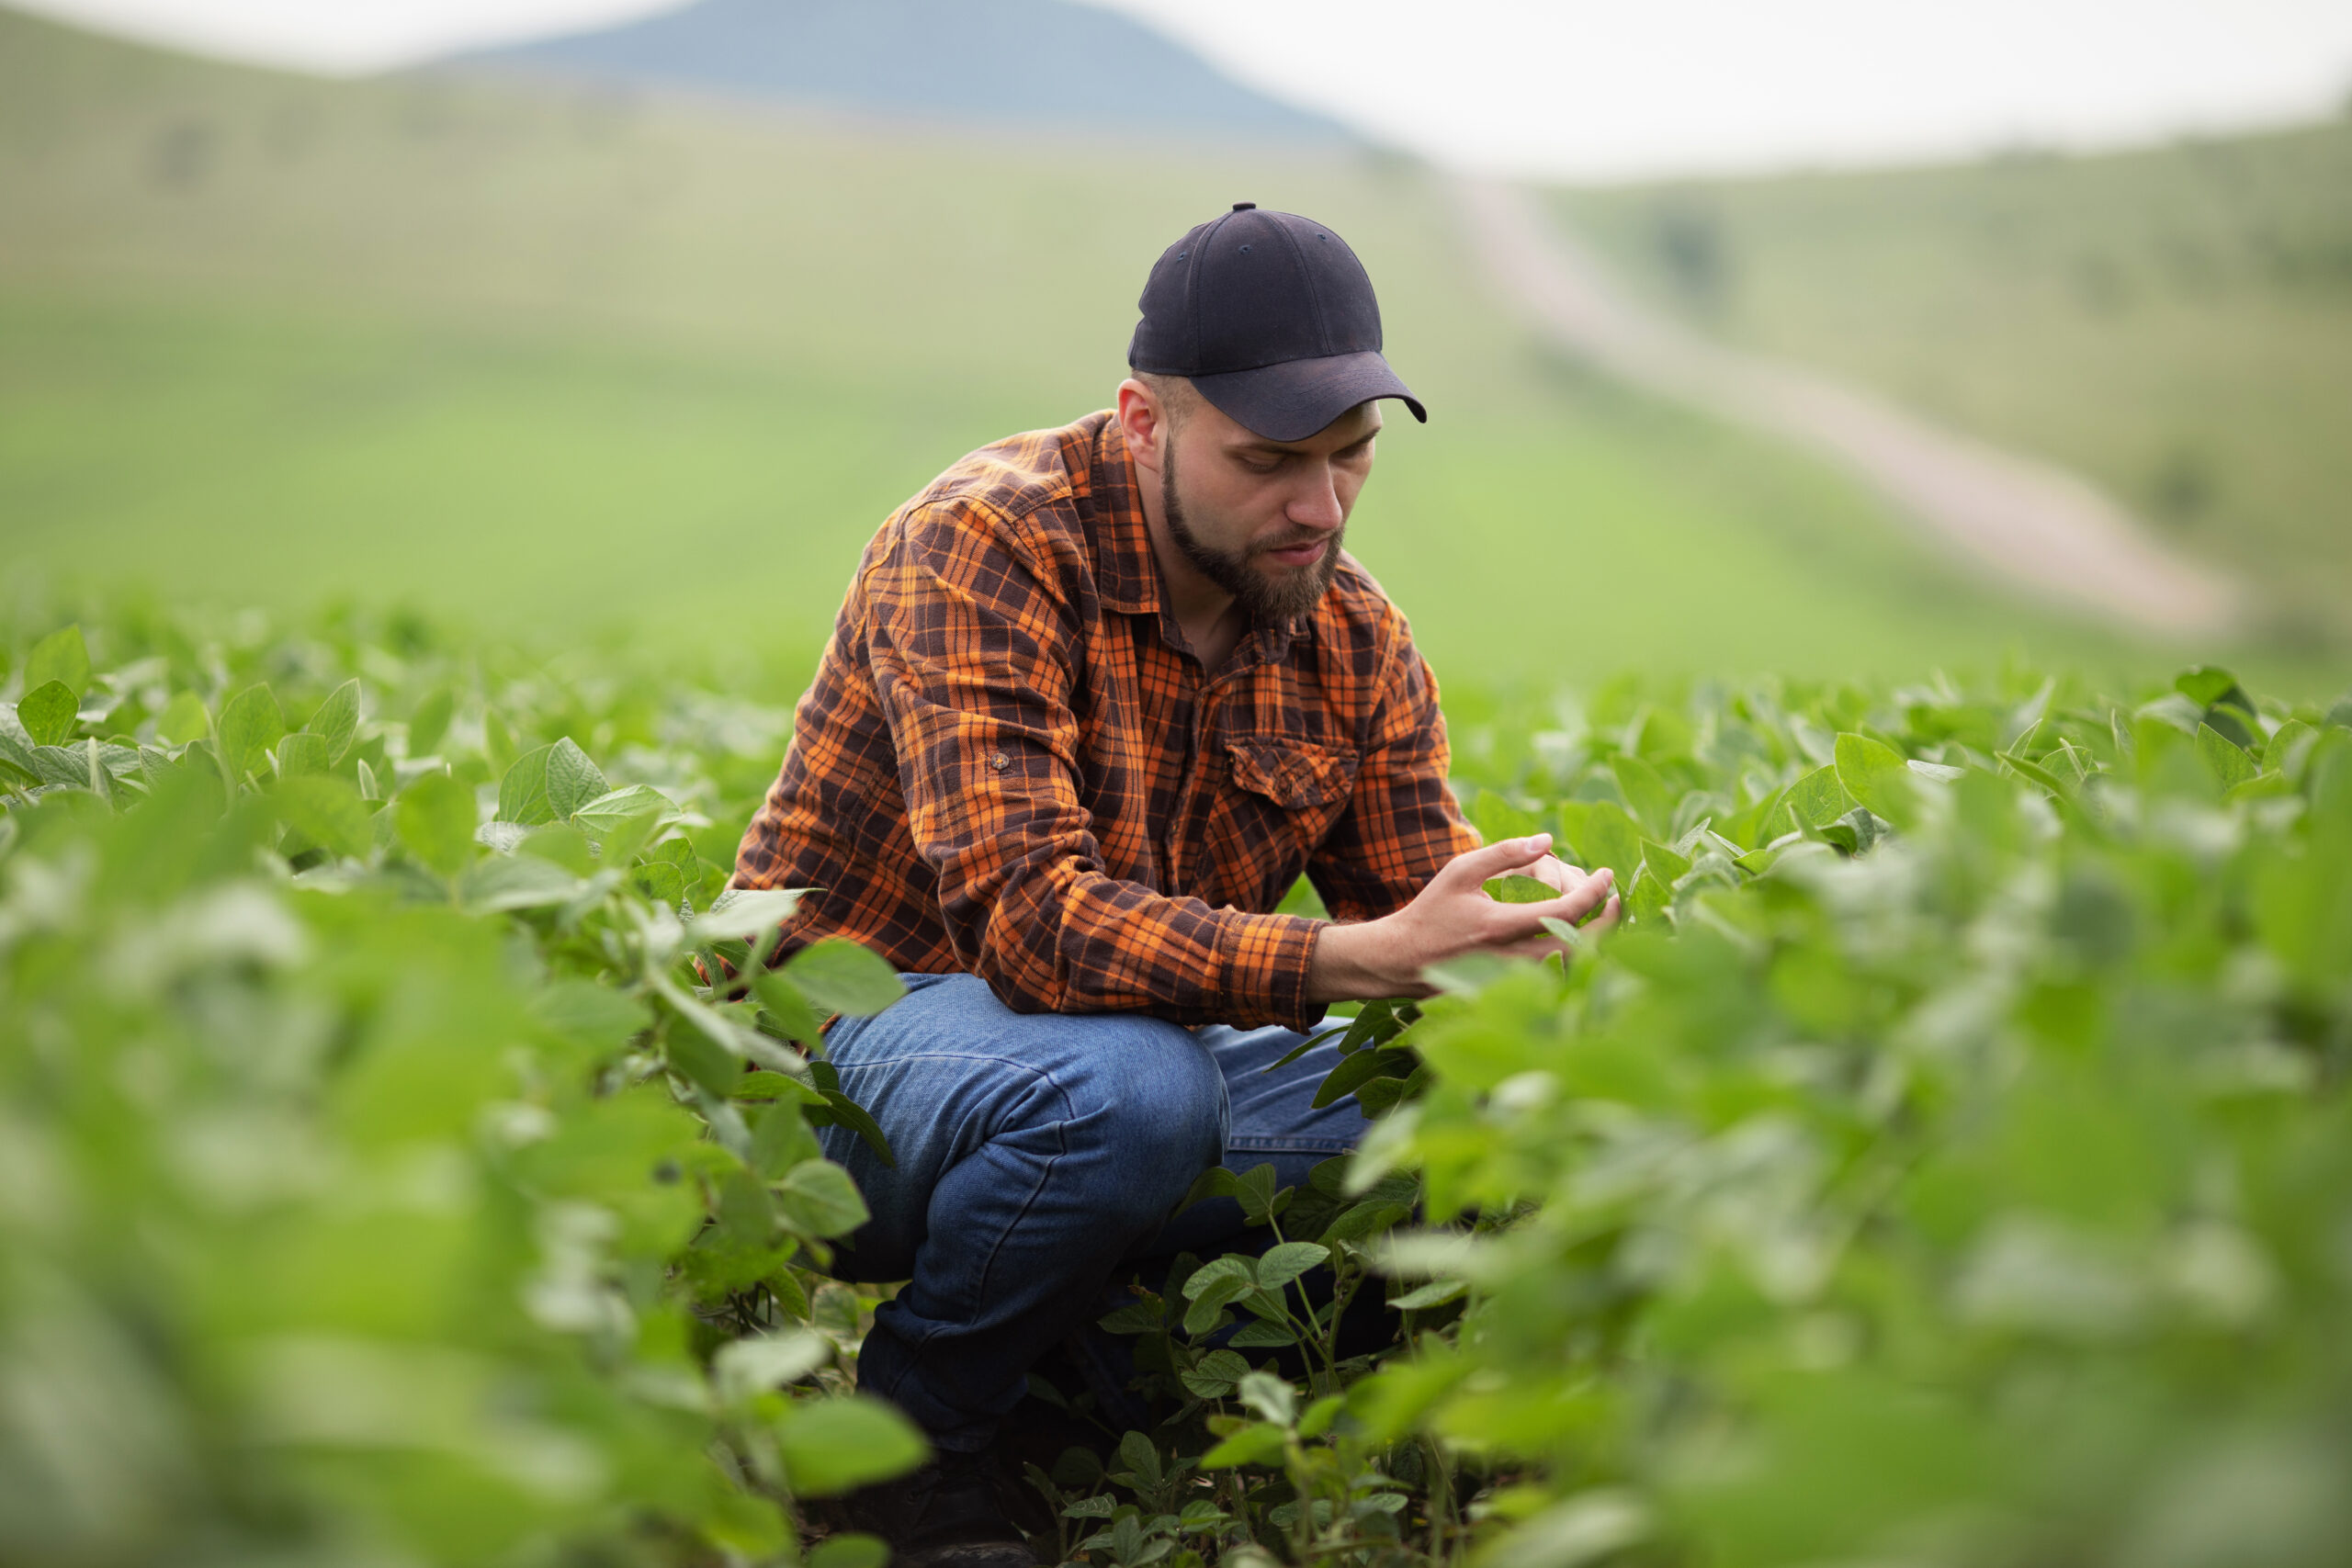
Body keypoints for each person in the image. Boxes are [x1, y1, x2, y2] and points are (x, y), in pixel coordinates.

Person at [729, 202, 1619, 1564]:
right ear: (1145, 423)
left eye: (1351, 457)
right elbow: (1027, 929)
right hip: (850, 1054)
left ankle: (1086, 1399)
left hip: (1118, 1057)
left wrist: (1516, 926)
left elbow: (1416, 905)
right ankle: (901, 1460)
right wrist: (1341, 959)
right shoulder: (985, 543)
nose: (1317, 507)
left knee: (1444, 1103)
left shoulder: (1350, 629)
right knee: (1133, 1093)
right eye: (1269, 461)